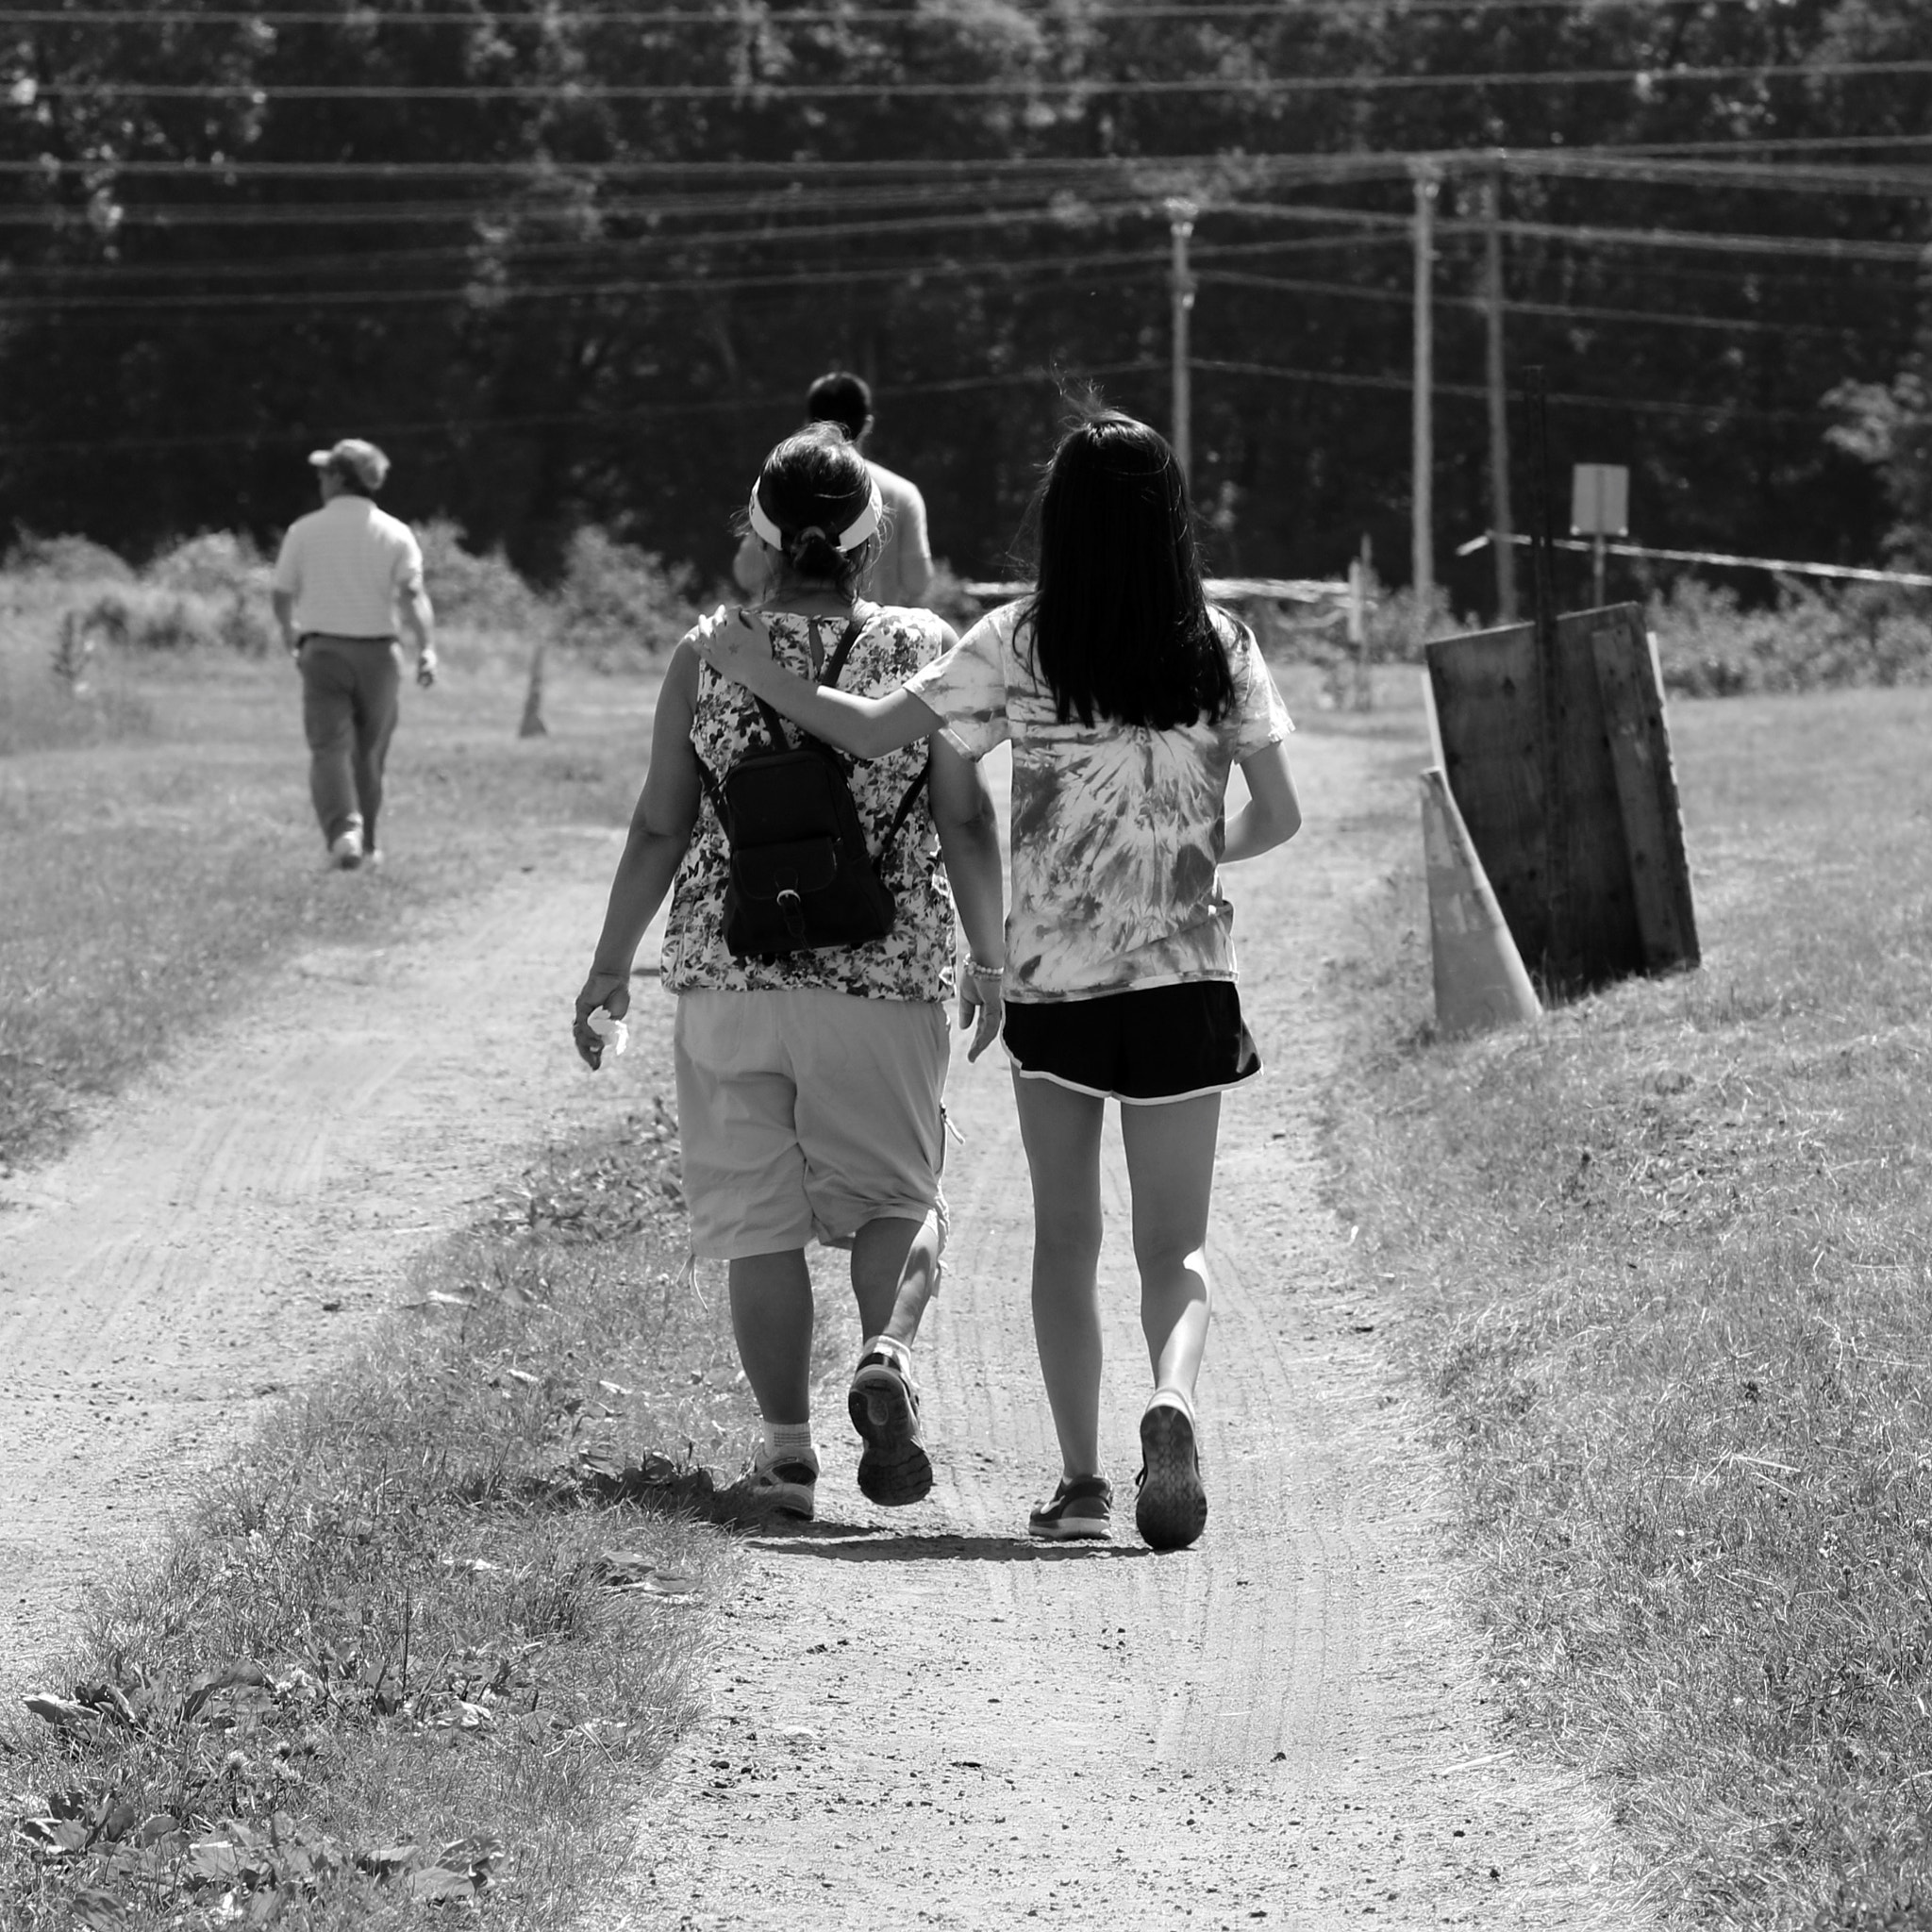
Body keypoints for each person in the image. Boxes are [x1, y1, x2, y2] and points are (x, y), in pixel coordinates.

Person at [695, 408, 1302, 1552]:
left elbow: (876, 734)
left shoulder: (1018, 638)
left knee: (1064, 1239)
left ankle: (1077, 1489)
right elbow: (1279, 812)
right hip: (1184, 984)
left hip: (1053, 988)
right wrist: (1184, 857)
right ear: (1171, 521)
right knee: (1173, 1250)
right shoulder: (1219, 643)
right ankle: (1168, 1398)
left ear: (1057, 521)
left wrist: (750, 667)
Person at [574, 423, 1007, 1522]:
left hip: (732, 973)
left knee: (756, 1222)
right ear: (875, 536)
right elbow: (962, 815)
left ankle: (784, 1456)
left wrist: (608, 965)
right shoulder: (925, 644)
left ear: (758, 535)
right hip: (885, 973)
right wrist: (992, 958)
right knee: (899, 1199)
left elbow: (658, 825)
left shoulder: (705, 651)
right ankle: (885, 1352)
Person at [271, 437, 437, 870]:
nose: (320, 480)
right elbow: (412, 594)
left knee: (329, 746)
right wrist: (426, 649)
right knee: (370, 751)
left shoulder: (303, 531)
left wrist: (290, 634)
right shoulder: (396, 533)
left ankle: (345, 833)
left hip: (322, 651)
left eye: (325, 473)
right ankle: (369, 844)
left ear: (339, 479)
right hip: (381, 655)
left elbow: (282, 592)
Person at [733, 372, 933, 608]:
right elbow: (917, 582)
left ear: (809, 425)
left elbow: (747, 574)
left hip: (784, 637)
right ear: (867, 424)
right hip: (876, 639)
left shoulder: (780, 487)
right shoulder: (902, 493)